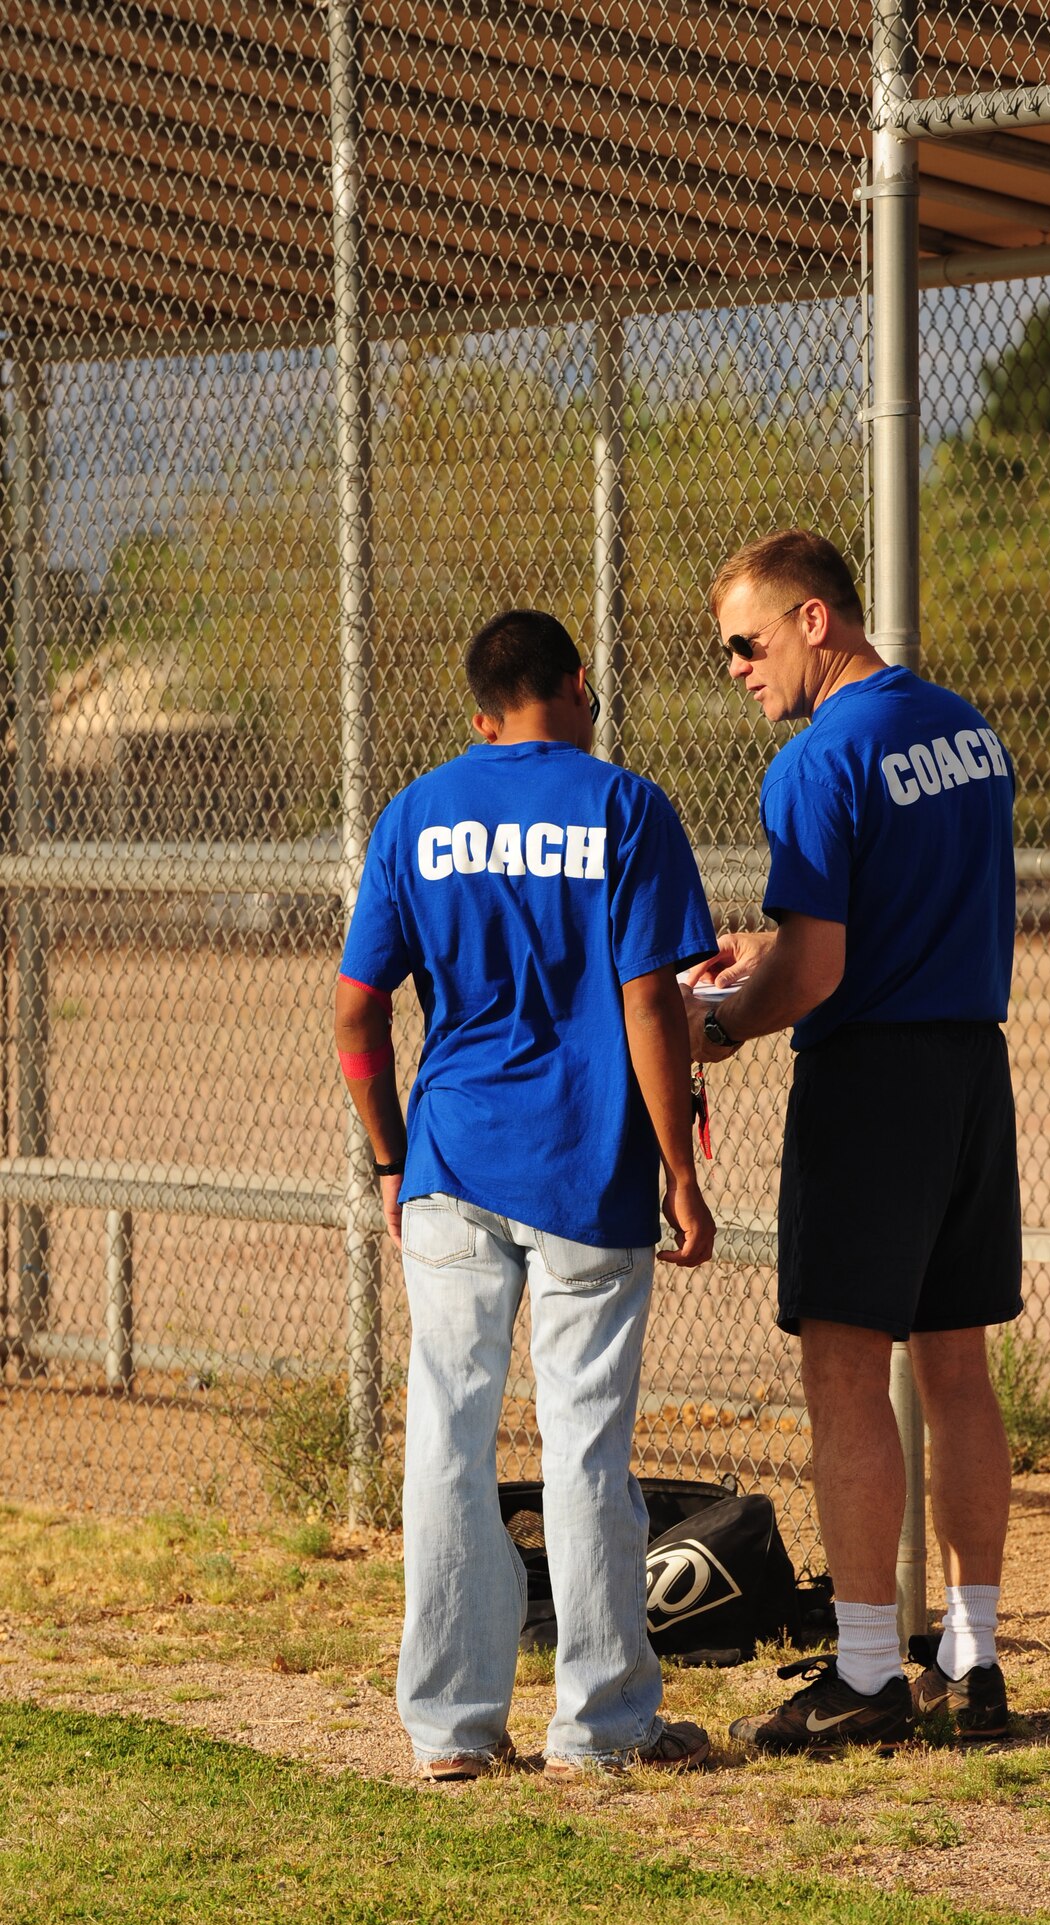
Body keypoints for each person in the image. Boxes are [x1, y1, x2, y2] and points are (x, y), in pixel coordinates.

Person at [336, 609, 718, 1781]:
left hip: (450, 1160)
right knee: (582, 1438)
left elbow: (356, 1012)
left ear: (478, 711)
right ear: (579, 685)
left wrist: (396, 1159)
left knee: (446, 1436)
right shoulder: (623, 806)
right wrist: (682, 1168)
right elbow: (651, 1003)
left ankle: (451, 1729)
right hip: (581, 1163)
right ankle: (600, 1725)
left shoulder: (416, 812)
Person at [684, 528, 1021, 1754]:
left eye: (746, 641)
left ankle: (870, 1669)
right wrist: (763, 961)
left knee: (842, 1373)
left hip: (872, 1081)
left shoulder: (820, 756)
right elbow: (879, 923)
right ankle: (974, 1656)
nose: (735, 666)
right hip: (970, 1067)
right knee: (955, 1364)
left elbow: (816, 972)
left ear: (814, 619)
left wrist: (718, 1018)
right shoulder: (965, 728)